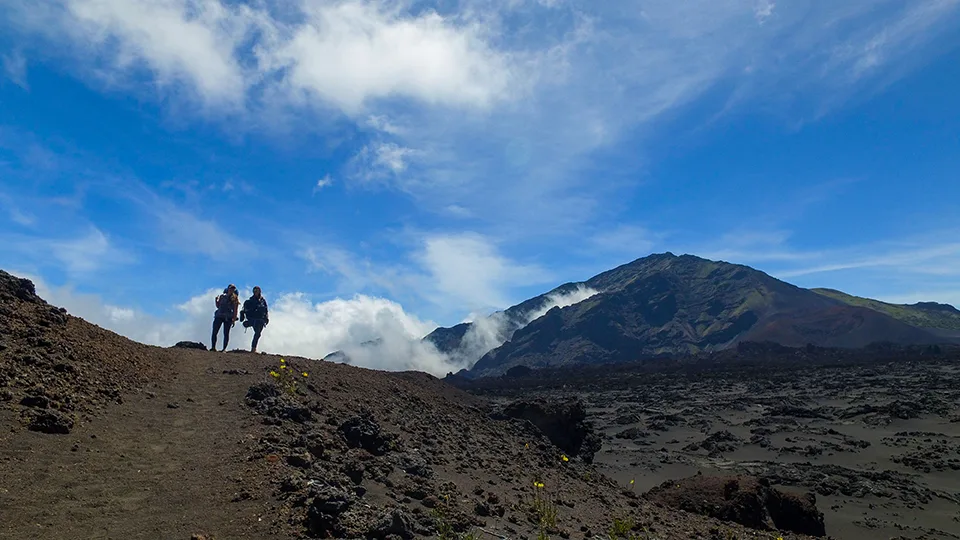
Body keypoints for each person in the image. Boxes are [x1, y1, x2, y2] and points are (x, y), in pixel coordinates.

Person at [240, 286, 269, 353]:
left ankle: (254, 348)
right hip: (253, 319)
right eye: (255, 291)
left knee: (258, 334)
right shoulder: (250, 301)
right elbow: (245, 310)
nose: (256, 292)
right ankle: (253, 348)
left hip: (261, 319)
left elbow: (266, 310)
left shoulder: (263, 300)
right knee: (257, 333)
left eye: (257, 290)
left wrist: (267, 318)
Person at [212, 284, 239, 352]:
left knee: (226, 333)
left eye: (233, 289)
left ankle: (224, 349)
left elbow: (235, 310)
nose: (231, 290)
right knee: (215, 331)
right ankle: (213, 347)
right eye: (230, 288)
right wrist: (216, 300)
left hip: (228, 317)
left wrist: (234, 319)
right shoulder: (222, 296)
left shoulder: (235, 298)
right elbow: (218, 306)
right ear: (228, 289)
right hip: (219, 315)